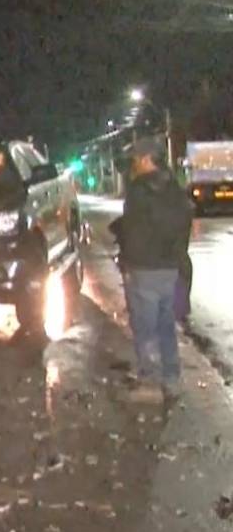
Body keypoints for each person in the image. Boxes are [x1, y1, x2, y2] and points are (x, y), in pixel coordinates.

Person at [116, 137, 194, 403]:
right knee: (166, 327)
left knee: (145, 327)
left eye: (137, 158)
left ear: (148, 159)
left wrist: (126, 264)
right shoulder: (174, 187)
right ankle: (171, 380)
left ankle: (149, 382)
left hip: (145, 269)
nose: (134, 164)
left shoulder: (138, 190)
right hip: (171, 268)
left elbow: (132, 232)